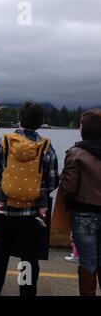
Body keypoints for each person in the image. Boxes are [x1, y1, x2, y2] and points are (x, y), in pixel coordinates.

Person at [0, 102, 59, 296]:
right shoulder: (47, 148)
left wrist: (4, 189)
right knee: (28, 255)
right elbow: (52, 182)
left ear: (20, 119)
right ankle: (26, 291)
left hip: (5, 208)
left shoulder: (4, 142)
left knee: (2, 249)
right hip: (33, 213)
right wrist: (35, 192)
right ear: (40, 123)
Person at [60, 109, 101, 296]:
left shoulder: (76, 154)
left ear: (83, 129)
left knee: (87, 261)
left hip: (84, 214)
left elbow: (69, 187)